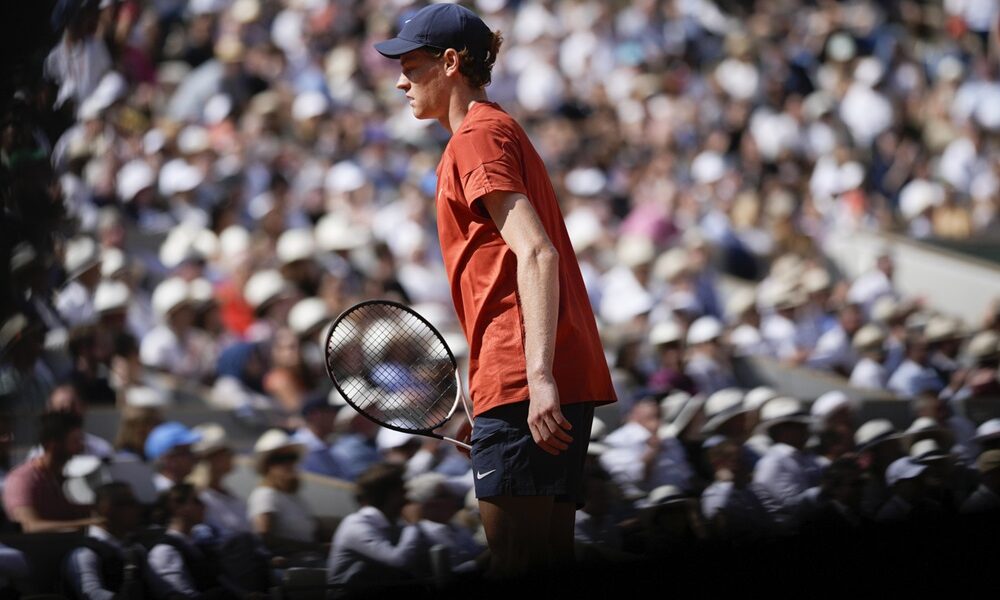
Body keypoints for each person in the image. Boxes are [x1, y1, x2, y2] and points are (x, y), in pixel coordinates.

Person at [375, 3, 617, 578]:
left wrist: (533, 380)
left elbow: (536, 252)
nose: (400, 79)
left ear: (451, 62)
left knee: (513, 563)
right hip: (541, 373)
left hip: (524, 374)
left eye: (411, 64)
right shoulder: (499, 128)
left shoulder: (475, 140)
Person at [326, 463, 427, 591]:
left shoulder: (392, 524)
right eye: (402, 492)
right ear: (390, 495)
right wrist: (413, 524)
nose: (407, 498)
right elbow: (399, 562)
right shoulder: (356, 525)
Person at [2, 411, 98, 532]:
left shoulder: (67, 476)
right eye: (75, 441)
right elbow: (28, 526)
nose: (81, 447)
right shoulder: (22, 479)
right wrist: (90, 525)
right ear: (53, 445)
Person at [64, 482, 151, 600]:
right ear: (107, 508)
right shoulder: (85, 553)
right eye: (130, 503)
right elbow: (91, 594)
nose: (138, 508)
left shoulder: (136, 548)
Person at [144, 422, 201, 492]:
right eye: (185, 452)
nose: (193, 456)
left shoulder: (187, 491)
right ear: (166, 458)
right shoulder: (154, 494)